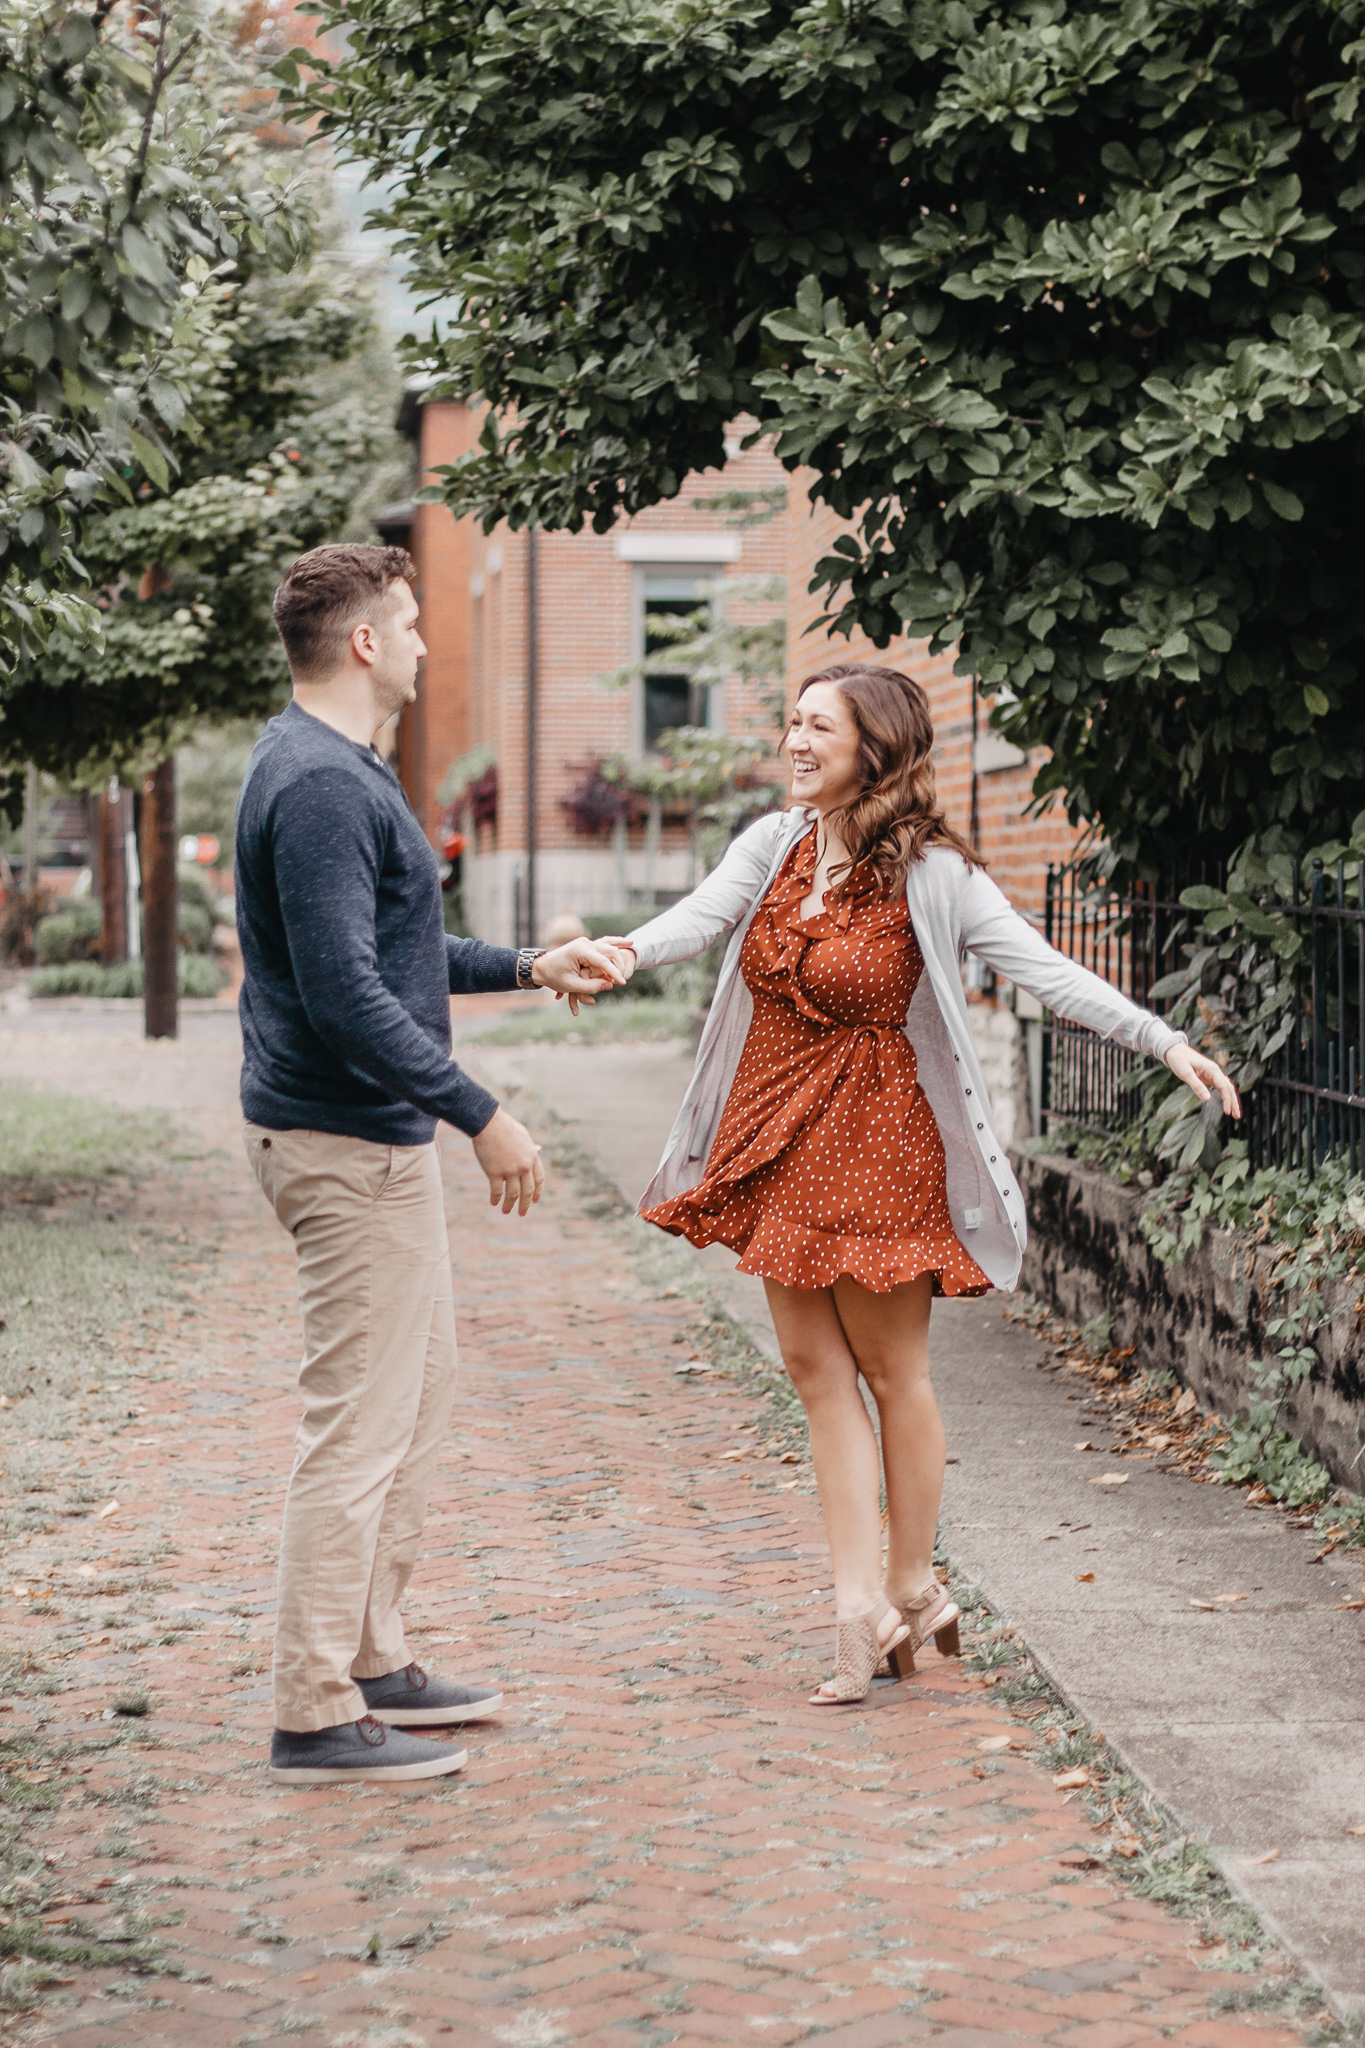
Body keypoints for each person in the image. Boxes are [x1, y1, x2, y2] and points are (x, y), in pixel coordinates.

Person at [609, 662, 1238, 1705]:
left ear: (876, 747)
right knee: (815, 1371)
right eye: (793, 721)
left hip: (873, 1138)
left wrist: (1162, 1040)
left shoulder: (931, 873)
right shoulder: (775, 843)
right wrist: (623, 952)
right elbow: (697, 919)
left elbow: (1044, 969)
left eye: (820, 726)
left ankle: (904, 1582)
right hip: (774, 1131)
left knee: (893, 1370)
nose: (796, 740)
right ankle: (864, 1601)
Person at [236, 542, 625, 1784]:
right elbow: (347, 996)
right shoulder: (320, 785)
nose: (419, 642)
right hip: (344, 1148)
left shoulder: (338, 773)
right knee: (356, 1424)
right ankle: (311, 1707)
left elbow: (393, 950)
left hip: (372, 1141)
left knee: (419, 1398)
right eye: (406, 624)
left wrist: (525, 966)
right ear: (362, 642)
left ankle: (371, 1653)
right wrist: (482, 1110)